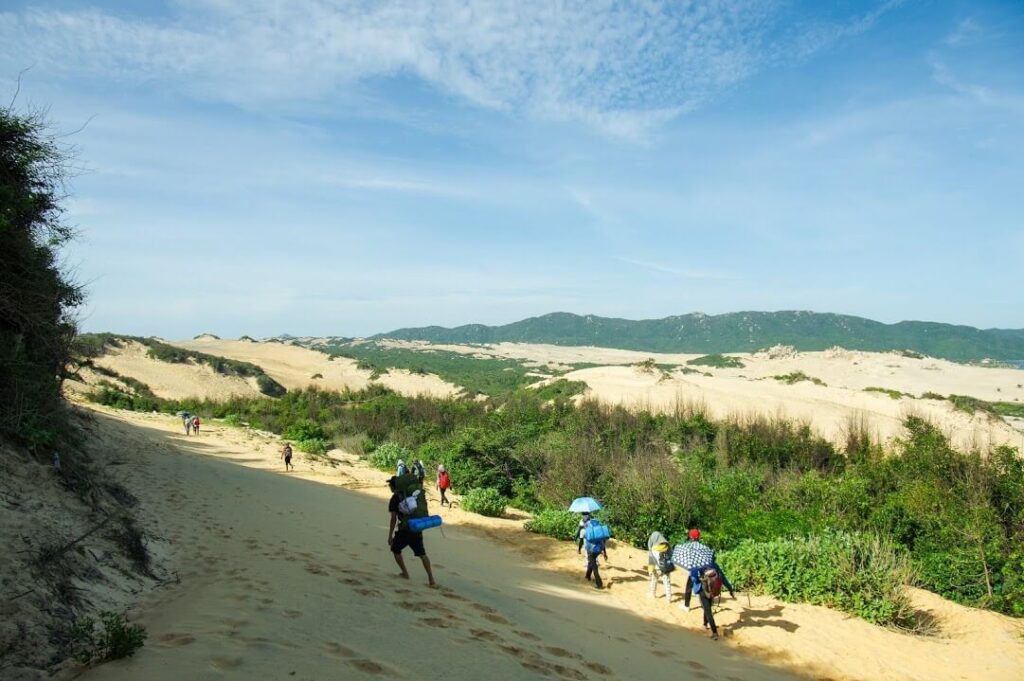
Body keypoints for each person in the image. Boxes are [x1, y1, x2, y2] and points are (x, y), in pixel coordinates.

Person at [678, 529, 735, 640]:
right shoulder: (714, 564)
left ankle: (714, 632)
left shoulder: (696, 564)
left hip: (702, 588)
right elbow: (723, 578)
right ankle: (705, 624)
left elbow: (693, 578)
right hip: (713, 588)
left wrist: (696, 580)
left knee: (707, 610)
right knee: (707, 607)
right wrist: (730, 589)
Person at [387, 476, 436, 587]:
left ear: (394, 487)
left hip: (405, 530)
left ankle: (405, 573)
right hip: (416, 528)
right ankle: (431, 579)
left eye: (390, 485)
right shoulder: (414, 496)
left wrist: (390, 535)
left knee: (395, 549)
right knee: (422, 554)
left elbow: (393, 519)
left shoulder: (395, 498)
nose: (389, 486)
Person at [582, 516, 609, 589]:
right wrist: (605, 553)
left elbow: (582, 540)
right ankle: (587, 576)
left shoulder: (585, 529)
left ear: (584, 522)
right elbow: (603, 540)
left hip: (591, 549)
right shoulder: (597, 528)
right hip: (599, 549)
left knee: (594, 566)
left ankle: (599, 583)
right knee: (591, 561)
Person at [647, 531, 674, 601]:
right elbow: (671, 556)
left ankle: (652, 594)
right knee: (667, 582)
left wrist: (650, 570)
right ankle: (669, 598)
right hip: (666, 567)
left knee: (654, 580)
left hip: (657, 568)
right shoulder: (667, 547)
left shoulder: (653, 549)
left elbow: (651, 561)